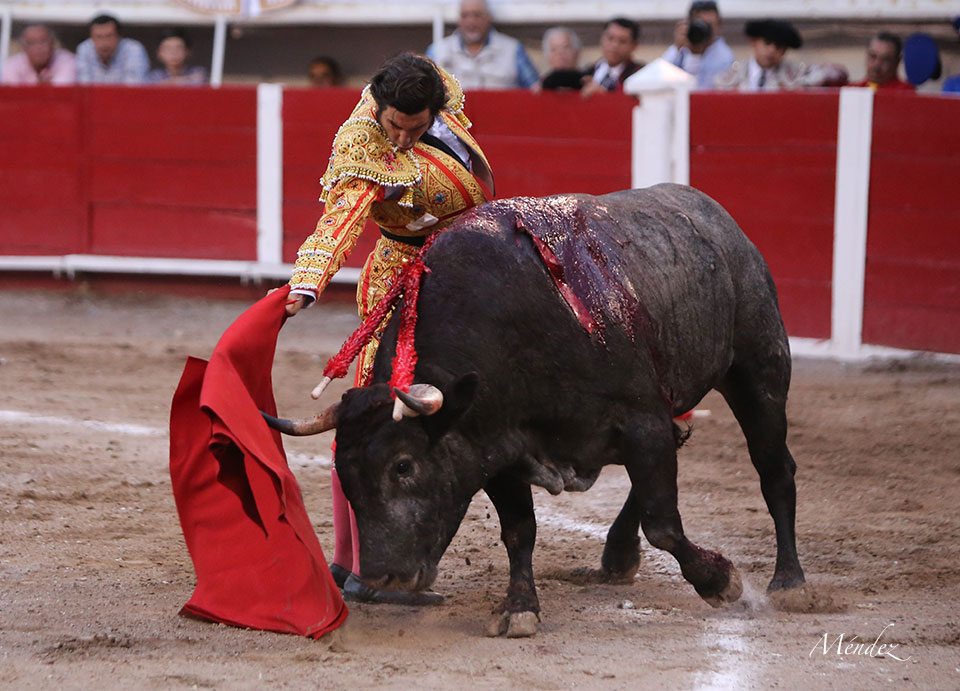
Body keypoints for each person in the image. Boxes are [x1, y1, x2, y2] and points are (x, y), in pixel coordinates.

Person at [284, 53, 495, 604]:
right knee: (376, 414)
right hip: (401, 282)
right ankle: (354, 566)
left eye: (414, 127)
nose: (399, 139)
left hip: (456, 277)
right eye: (392, 124)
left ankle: (350, 563)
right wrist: (304, 286)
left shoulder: (441, 92)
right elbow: (340, 223)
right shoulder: (364, 148)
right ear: (377, 108)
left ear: (435, 110)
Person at [425, 0, 538, 90]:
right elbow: (424, 91)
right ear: (458, 20)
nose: (471, 21)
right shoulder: (437, 51)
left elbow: (536, 90)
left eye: (477, 15)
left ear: (489, 17)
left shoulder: (513, 50)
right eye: (465, 16)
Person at [715, 19, 806, 91]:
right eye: (767, 42)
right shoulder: (728, 77)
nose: (772, 50)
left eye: (779, 46)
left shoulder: (797, 78)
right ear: (753, 42)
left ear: (784, 51)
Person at [662, 1, 734, 90]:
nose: (705, 30)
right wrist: (677, 48)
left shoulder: (724, 56)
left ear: (719, 24)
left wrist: (696, 54)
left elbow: (702, 91)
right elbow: (661, 76)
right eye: (700, 24)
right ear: (689, 23)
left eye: (709, 25)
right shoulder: (682, 47)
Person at [76, 14, 149, 84]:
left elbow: (133, 89)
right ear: (91, 38)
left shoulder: (133, 49)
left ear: (119, 36)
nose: (104, 42)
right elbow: (85, 89)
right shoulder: (84, 49)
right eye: (98, 37)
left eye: (109, 36)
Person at [581, 18, 642, 97]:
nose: (615, 45)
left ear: (634, 45)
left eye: (622, 41)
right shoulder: (588, 71)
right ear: (602, 38)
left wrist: (605, 96)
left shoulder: (640, 74)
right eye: (610, 38)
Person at [1, 24, 76, 85]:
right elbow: (10, 95)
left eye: (43, 42)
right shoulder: (12, 64)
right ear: (24, 47)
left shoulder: (67, 61)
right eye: (32, 43)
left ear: (52, 44)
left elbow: (60, 92)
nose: (38, 48)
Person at [537, 26, 585, 91]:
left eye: (566, 47)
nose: (560, 53)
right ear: (548, 57)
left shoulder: (588, 82)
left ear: (577, 52)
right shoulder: (541, 86)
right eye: (554, 49)